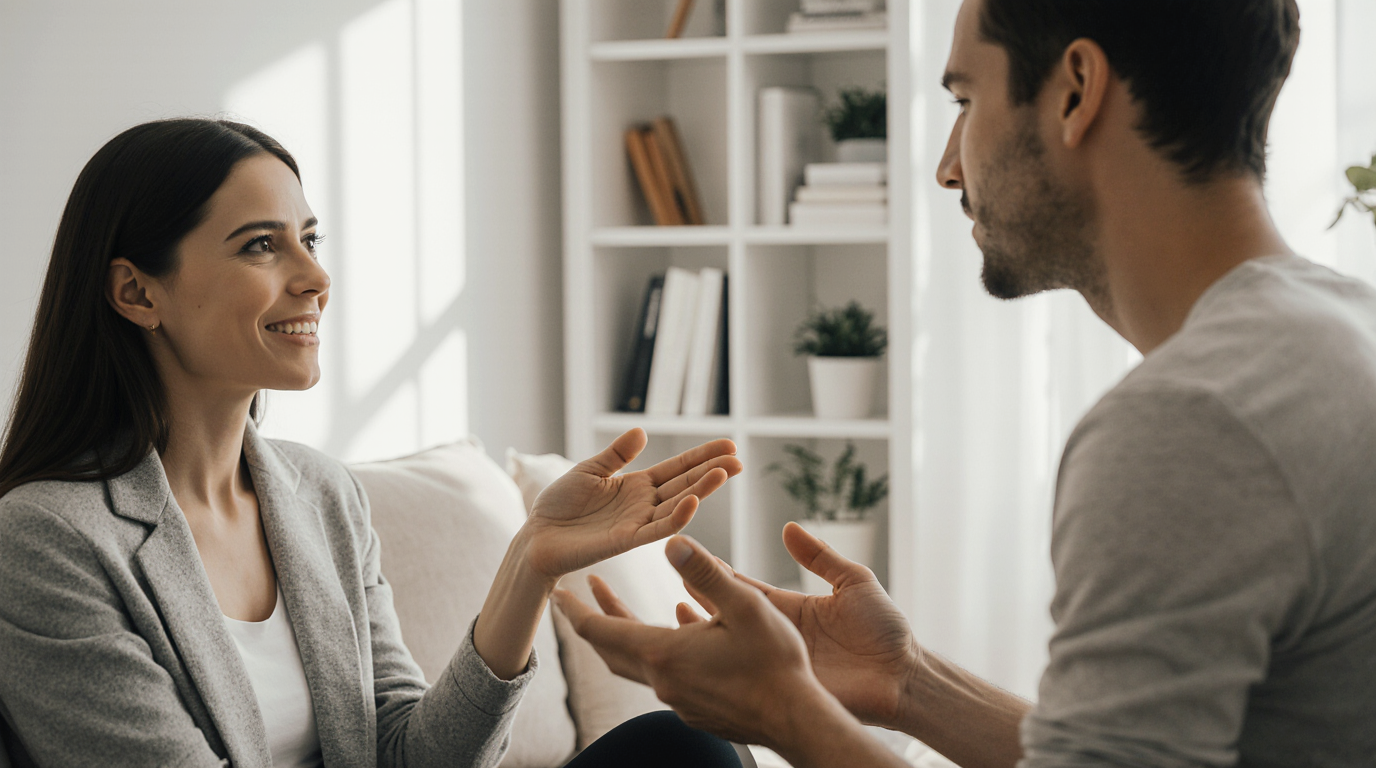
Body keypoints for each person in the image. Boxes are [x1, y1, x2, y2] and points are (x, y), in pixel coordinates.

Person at [555, 1, 1376, 766]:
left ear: (1075, 92)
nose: (949, 169)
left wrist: (788, 716)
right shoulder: (1340, 328)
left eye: (964, 101)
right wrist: (907, 682)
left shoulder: (1193, 422)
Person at [0, 118, 745, 768]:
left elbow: (411, 755)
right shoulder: (45, 540)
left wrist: (529, 564)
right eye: (262, 245)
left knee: (683, 748)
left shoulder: (322, 495)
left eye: (311, 239)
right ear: (136, 292)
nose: (316, 277)